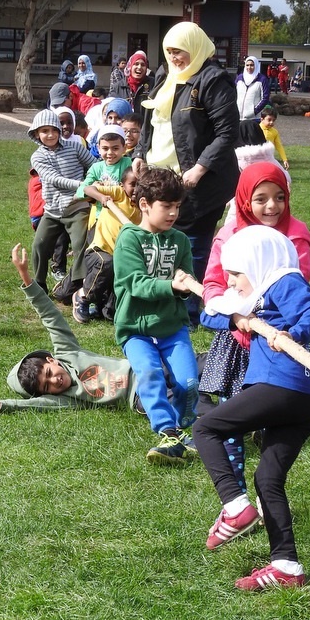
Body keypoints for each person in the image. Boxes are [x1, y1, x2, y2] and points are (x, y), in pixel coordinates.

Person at [194, 226, 310, 591]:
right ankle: (287, 567)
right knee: (267, 479)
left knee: (206, 428)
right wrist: (236, 318)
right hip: (303, 402)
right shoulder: (257, 295)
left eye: (236, 274)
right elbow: (209, 312)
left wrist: (293, 334)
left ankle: (235, 507)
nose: (232, 283)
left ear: (257, 263)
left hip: (279, 386)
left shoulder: (283, 280)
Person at [200, 161, 310, 493]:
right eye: (261, 198)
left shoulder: (295, 235)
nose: (272, 206)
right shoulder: (229, 236)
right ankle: (237, 497)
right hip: (237, 345)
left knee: (275, 430)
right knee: (230, 421)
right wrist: (233, 314)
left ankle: (268, 493)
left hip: (276, 347)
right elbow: (211, 287)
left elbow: (297, 287)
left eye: (279, 197)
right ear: (245, 199)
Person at [132, 21, 240, 327]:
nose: (175, 56)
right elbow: (151, 120)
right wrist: (140, 153)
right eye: (170, 51)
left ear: (195, 48)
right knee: (160, 242)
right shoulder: (165, 76)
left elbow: (227, 133)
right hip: (160, 178)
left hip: (199, 183)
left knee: (191, 247)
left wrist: (200, 167)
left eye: (180, 51)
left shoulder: (213, 80)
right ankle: (162, 303)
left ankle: (191, 313)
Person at [0, 243, 139, 412]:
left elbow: (50, 316)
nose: (54, 381)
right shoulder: (66, 398)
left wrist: (25, 276)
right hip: (138, 397)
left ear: (51, 360)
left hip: (140, 369)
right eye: (47, 387)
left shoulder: (67, 353)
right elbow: (23, 405)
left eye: (49, 373)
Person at [113, 166, 199, 466]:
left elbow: (185, 278)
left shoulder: (181, 241)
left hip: (172, 327)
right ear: (145, 204)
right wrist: (172, 286)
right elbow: (134, 283)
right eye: (167, 206)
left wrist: (187, 285)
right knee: (150, 374)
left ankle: (182, 428)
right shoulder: (129, 239)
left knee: (188, 383)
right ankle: (167, 431)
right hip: (135, 329)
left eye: (177, 206)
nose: (173, 213)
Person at [28, 109, 95, 294]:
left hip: (77, 206)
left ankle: (78, 285)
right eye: (44, 131)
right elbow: (54, 178)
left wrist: (89, 185)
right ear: (36, 134)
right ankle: (39, 283)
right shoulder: (38, 156)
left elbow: (93, 165)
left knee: (81, 243)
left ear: (59, 130)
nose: (50, 135)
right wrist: (82, 185)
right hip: (52, 210)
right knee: (39, 245)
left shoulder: (75, 148)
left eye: (53, 130)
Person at [72, 165, 140, 323]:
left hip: (121, 257)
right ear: (123, 185)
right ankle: (83, 296)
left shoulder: (143, 206)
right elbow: (88, 189)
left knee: (111, 312)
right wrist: (102, 198)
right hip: (99, 251)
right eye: (133, 184)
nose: (137, 189)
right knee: (107, 262)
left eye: (141, 185)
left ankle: (104, 307)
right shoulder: (119, 194)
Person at [235, 55, 270, 120]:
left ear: (256, 65)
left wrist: (254, 111)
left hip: (254, 118)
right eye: (247, 65)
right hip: (238, 117)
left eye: (252, 65)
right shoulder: (239, 78)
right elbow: (234, 93)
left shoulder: (262, 79)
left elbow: (265, 98)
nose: (249, 67)